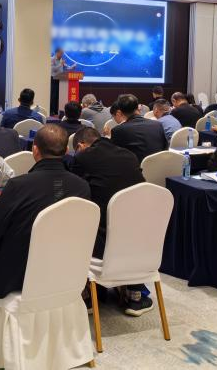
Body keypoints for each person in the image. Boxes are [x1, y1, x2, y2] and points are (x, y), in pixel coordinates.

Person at [0, 125, 91, 299]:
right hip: (65, 271)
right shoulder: (82, 187)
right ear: (66, 151)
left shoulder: (18, 186)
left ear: (35, 150)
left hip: (17, 278)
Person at [70, 127, 150, 316]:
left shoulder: (82, 158)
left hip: (100, 243)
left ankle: (87, 294)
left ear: (81, 146)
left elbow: (76, 194)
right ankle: (135, 294)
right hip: (138, 240)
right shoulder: (129, 155)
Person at [110, 94, 167, 162]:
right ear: (138, 107)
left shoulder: (118, 130)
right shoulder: (157, 124)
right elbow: (165, 148)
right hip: (159, 165)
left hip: (135, 167)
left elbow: (116, 157)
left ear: (120, 112)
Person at [50, 47, 74, 115]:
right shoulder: (52, 59)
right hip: (53, 79)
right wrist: (60, 64)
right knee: (53, 95)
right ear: (57, 52)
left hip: (60, 80)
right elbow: (52, 69)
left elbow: (65, 67)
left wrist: (71, 67)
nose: (62, 54)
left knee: (58, 95)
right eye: (61, 53)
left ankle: (56, 111)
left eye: (62, 53)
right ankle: (51, 111)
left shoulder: (61, 59)